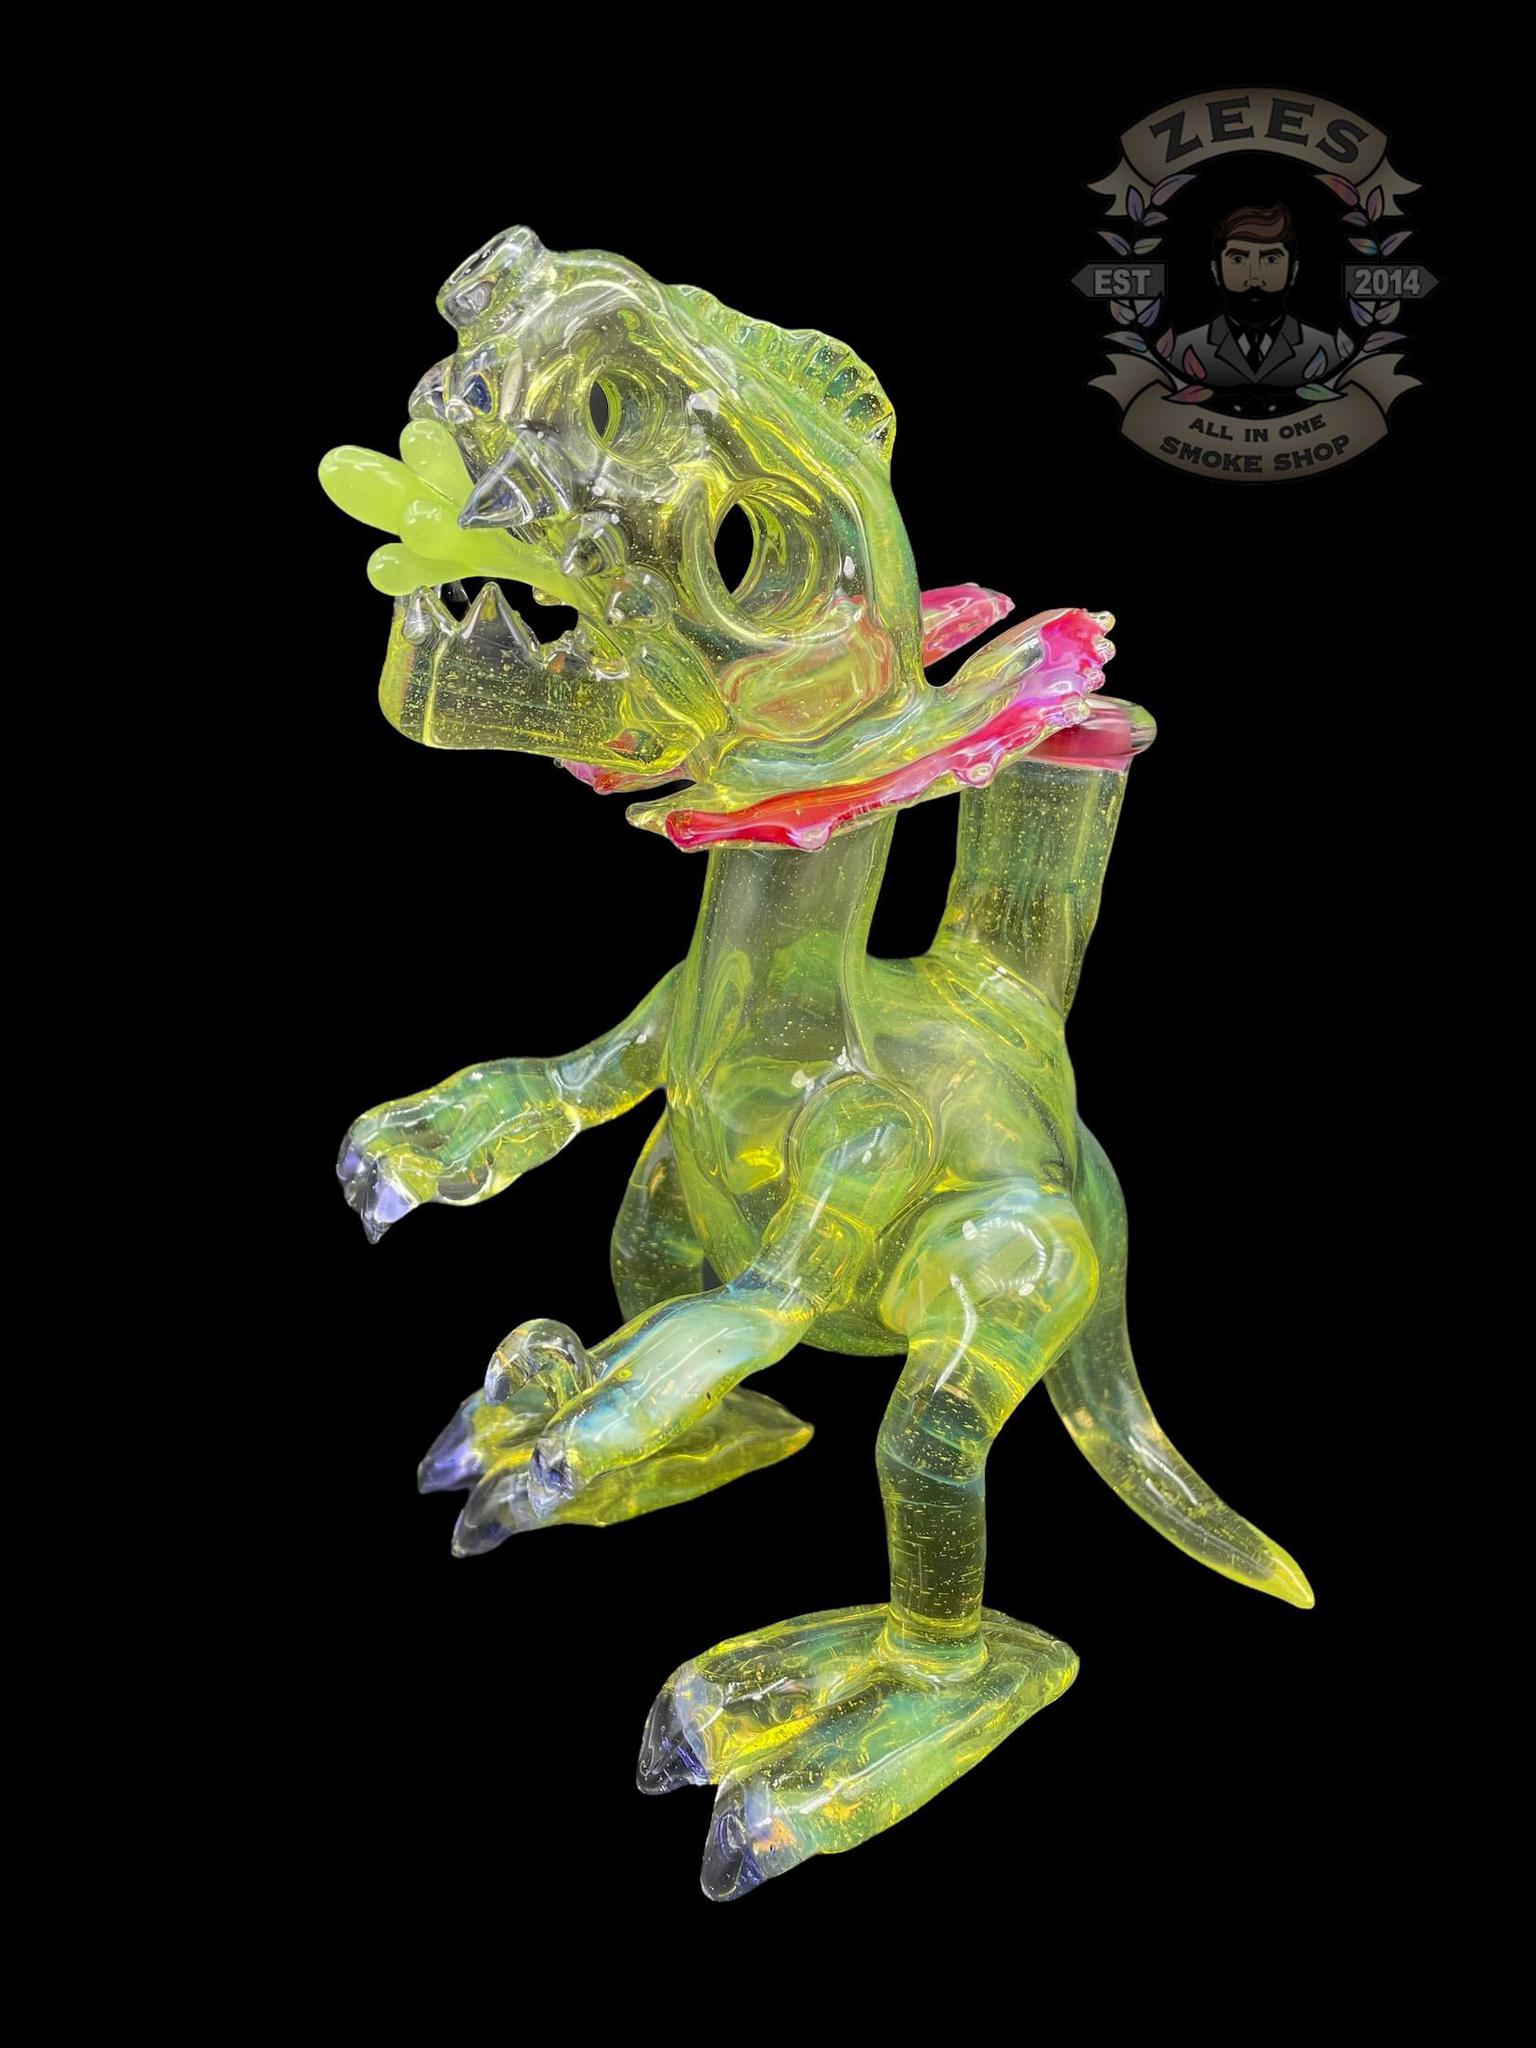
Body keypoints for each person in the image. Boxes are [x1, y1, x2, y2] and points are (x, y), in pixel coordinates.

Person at [1169, 202, 1340, 395]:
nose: (1255, 279)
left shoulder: (1324, 348)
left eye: (1271, 259)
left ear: (1293, 270)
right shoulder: (1185, 349)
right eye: (1238, 259)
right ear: (1216, 271)